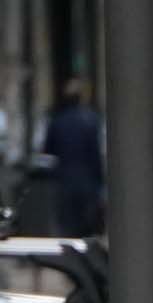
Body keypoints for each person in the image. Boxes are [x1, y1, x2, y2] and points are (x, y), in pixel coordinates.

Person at [43, 80, 103, 239]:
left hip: (65, 179)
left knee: (69, 225)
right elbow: (95, 153)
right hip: (87, 180)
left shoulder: (58, 121)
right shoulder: (91, 120)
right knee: (87, 224)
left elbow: (49, 150)